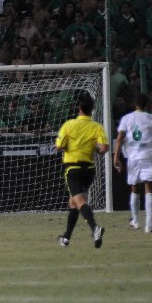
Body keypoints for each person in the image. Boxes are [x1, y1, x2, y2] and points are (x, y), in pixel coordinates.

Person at [54, 95, 109, 248]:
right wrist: (93, 148)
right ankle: (66, 238)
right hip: (89, 170)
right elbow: (103, 148)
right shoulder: (97, 126)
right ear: (92, 109)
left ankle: (95, 228)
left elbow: (59, 145)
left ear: (79, 108)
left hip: (73, 169)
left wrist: (68, 146)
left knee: (80, 202)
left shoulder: (69, 125)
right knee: (73, 202)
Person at [113, 93, 152, 233]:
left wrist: (116, 157)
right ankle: (150, 225)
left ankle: (135, 221)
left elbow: (120, 139)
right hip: (148, 156)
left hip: (133, 158)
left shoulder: (126, 119)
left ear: (135, 104)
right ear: (147, 105)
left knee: (134, 189)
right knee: (149, 190)